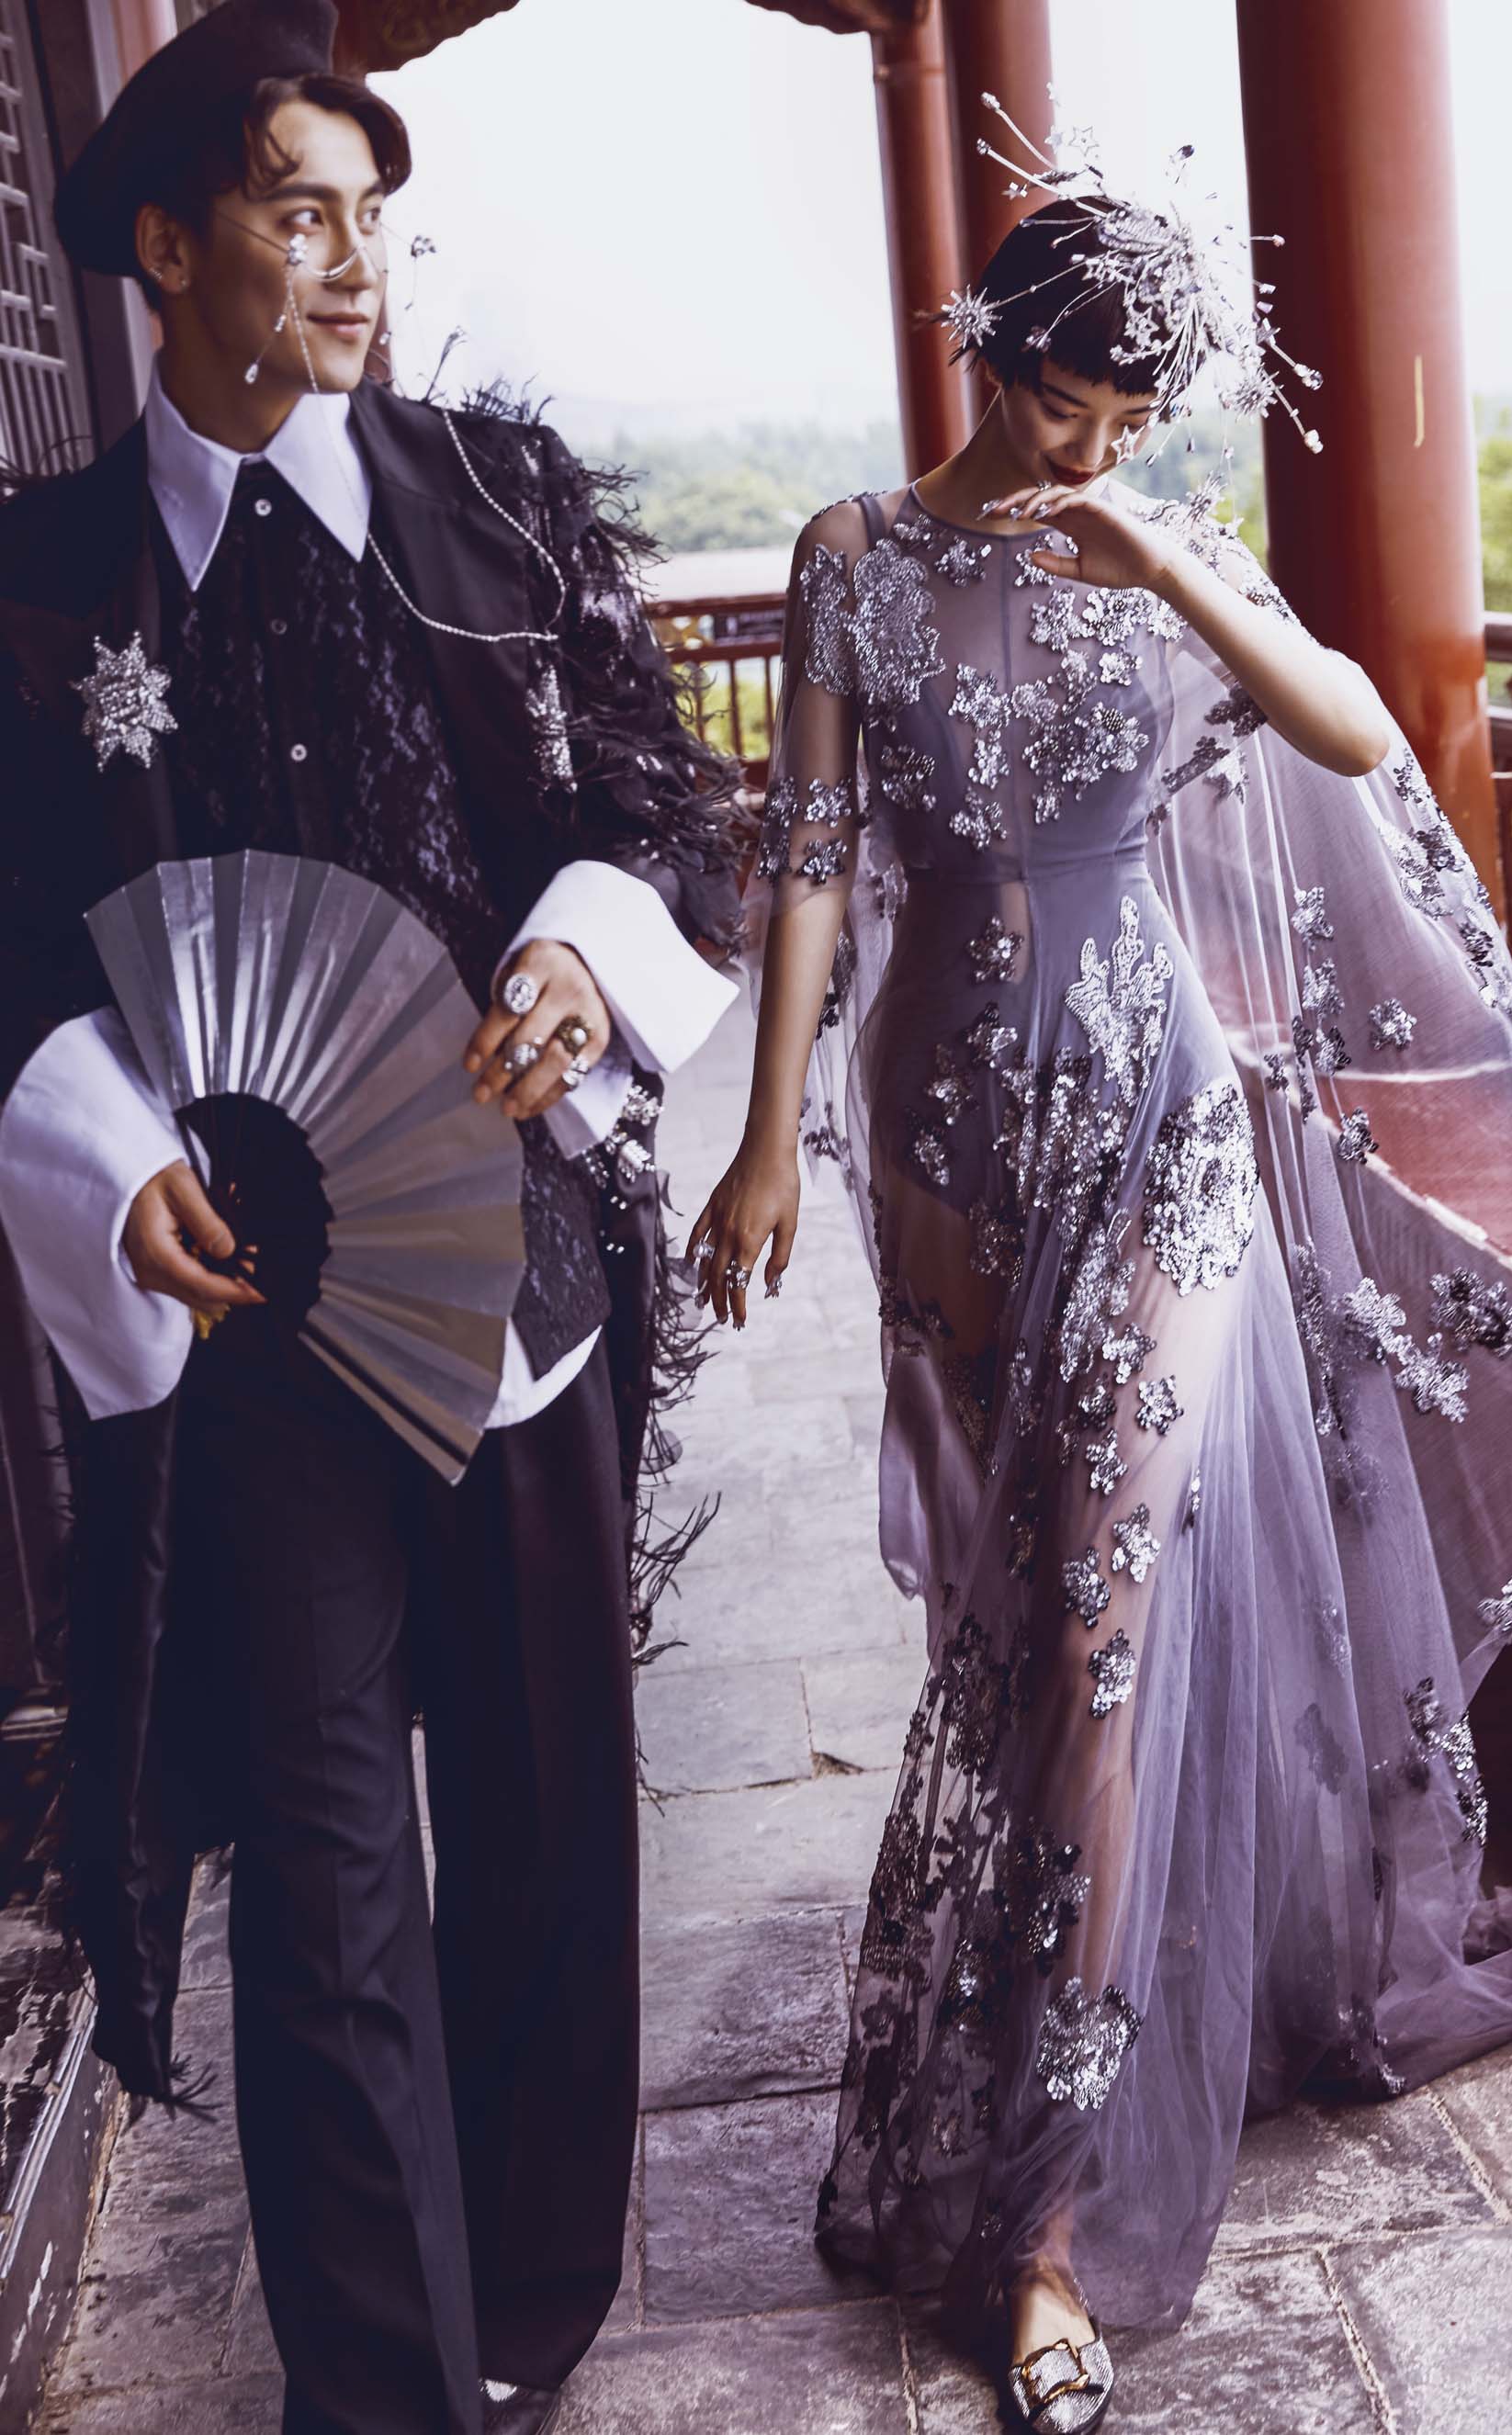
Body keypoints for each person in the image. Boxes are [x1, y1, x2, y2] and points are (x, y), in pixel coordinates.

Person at [690, 155, 1512, 2430]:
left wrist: (1162, 556)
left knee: (1099, 1634)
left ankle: (1045, 2225)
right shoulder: (847, 560)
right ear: (982, 351)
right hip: (943, 1142)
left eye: (1126, 419)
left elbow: (1357, 738)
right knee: (1016, 1633)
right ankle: (1058, 2053)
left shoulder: (1159, 544)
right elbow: (807, 862)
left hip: (1159, 1131)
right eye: (1060, 404)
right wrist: (762, 1137)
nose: (1084, 448)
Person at [0, 5, 740, 2429]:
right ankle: (390, 2394)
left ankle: (526, 2296)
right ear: (164, 247)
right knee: (324, 1885)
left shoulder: (492, 501)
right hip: (252, 1324)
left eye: (371, 218)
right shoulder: (42, 578)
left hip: (511, 1273)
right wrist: (101, 1143)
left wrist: (581, 953)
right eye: (297, 212)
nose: (352, 263)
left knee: (538, 1830)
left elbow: (665, 810)